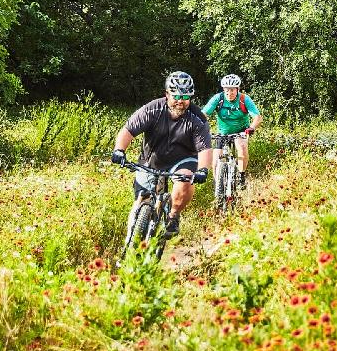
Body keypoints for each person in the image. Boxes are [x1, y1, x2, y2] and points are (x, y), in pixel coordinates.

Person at [111, 71, 212, 239]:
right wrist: (119, 150)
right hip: (151, 159)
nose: (180, 100)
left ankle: (173, 215)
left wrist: (202, 169)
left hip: (183, 159)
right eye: (176, 95)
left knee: (185, 179)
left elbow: (204, 149)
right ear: (167, 94)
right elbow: (128, 130)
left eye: (186, 96)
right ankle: (131, 240)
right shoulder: (153, 109)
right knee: (141, 202)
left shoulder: (198, 118)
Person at [202, 73, 262, 189]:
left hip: (240, 131)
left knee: (242, 147)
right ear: (223, 89)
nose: (229, 93)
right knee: (215, 161)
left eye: (232, 90)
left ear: (237, 89)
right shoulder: (218, 98)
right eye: (227, 90)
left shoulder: (244, 99)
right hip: (222, 133)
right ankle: (218, 185)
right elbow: (203, 114)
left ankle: (241, 176)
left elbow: (257, 117)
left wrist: (252, 128)